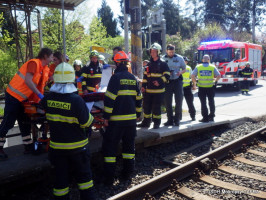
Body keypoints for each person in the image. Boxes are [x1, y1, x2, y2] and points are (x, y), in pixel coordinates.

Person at [40, 62, 95, 200]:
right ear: (72, 79)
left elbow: (42, 112)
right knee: (85, 181)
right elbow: (87, 122)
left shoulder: (48, 99)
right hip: (78, 148)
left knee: (60, 183)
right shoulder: (76, 100)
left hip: (57, 149)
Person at [0, 48, 53, 160]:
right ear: (45, 56)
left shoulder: (43, 68)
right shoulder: (34, 63)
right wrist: (39, 95)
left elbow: (49, 80)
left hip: (22, 99)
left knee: (24, 122)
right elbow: (28, 81)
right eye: (51, 56)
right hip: (14, 96)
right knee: (8, 122)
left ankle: (28, 146)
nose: (52, 59)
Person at [102, 51, 142, 185]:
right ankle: (127, 174)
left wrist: (106, 117)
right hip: (130, 122)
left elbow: (109, 99)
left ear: (117, 63)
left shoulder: (115, 78)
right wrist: (137, 115)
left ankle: (108, 177)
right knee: (129, 148)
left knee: (110, 148)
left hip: (116, 122)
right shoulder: (133, 78)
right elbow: (139, 99)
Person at [138, 43, 170, 129]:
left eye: (154, 52)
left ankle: (156, 123)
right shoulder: (148, 64)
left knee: (156, 108)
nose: (152, 53)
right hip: (148, 91)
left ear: (158, 52)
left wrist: (159, 82)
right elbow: (145, 76)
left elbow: (167, 76)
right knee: (146, 107)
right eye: (151, 52)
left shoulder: (163, 63)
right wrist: (143, 86)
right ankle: (146, 122)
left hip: (158, 91)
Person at [162, 44, 186, 126]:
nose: (171, 53)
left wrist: (180, 72)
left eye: (173, 52)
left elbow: (184, 69)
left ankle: (177, 120)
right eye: (170, 52)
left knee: (179, 101)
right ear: (166, 51)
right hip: (167, 82)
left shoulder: (179, 58)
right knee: (168, 102)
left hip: (177, 81)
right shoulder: (163, 58)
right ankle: (170, 120)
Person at [191, 54, 221, 122]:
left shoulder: (198, 67)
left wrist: (194, 83)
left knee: (203, 103)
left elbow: (192, 75)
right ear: (209, 60)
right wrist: (215, 81)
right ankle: (212, 116)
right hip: (210, 87)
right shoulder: (212, 67)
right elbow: (219, 75)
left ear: (202, 60)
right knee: (211, 102)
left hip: (201, 88)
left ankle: (205, 118)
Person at [182, 57, 196, 121]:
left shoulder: (188, 68)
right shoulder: (187, 68)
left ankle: (193, 116)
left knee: (190, 103)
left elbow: (192, 77)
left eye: (186, 61)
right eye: (185, 61)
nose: (186, 62)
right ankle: (178, 117)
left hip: (187, 88)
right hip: (180, 88)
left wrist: (194, 85)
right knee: (179, 103)